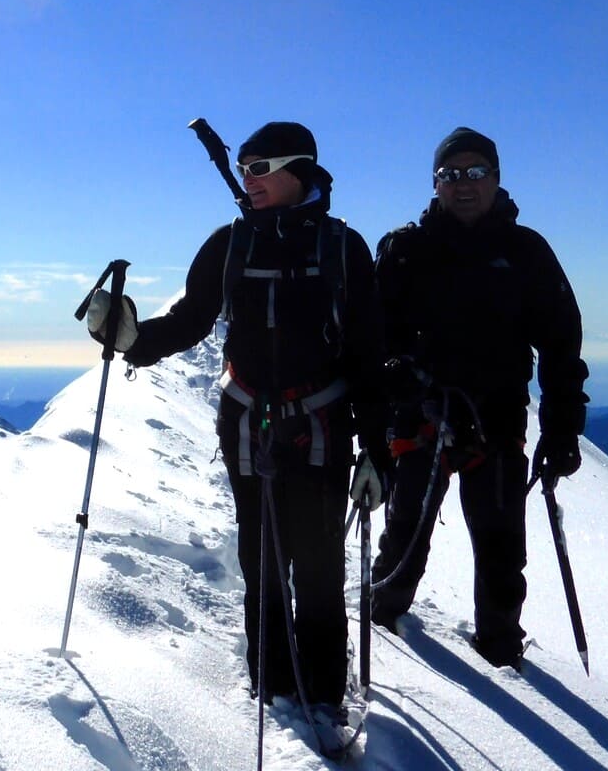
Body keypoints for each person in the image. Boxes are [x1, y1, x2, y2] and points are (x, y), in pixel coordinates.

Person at [92, 122, 389, 723]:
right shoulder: (229, 245)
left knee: (321, 565)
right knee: (262, 560)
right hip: (249, 424)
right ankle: (275, 691)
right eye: (244, 168)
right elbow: (192, 318)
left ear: (298, 170)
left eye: (261, 168)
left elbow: (367, 354)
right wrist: (133, 340)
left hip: (322, 425)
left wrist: (378, 450)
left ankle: (326, 695)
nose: (248, 179)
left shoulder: (342, 248)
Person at [368, 127, 588, 671]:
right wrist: (390, 375)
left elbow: (561, 344)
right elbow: (370, 334)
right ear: (435, 183)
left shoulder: (526, 252)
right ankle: (381, 635)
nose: (463, 185)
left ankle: (501, 655)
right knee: (403, 544)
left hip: (496, 421)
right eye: (450, 175)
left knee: (500, 550)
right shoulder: (403, 251)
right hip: (420, 416)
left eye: (474, 173)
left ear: (495, 178)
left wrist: (563, 428)